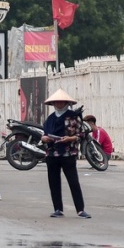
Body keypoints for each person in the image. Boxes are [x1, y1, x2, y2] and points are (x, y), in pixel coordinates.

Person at [41, 88, 91, 219]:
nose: (59, 104)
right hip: (52, 154)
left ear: (66, 103)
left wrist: (71, 138)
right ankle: (58, 208)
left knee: (73, 182)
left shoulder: (74, 117)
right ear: (53, 103)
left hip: (68, 154)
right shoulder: (50, 119)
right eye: (56, 102)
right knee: (54, 182)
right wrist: (44, 139)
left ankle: (80, 210)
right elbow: (44, 135)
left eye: (61, 102)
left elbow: (81, 134)